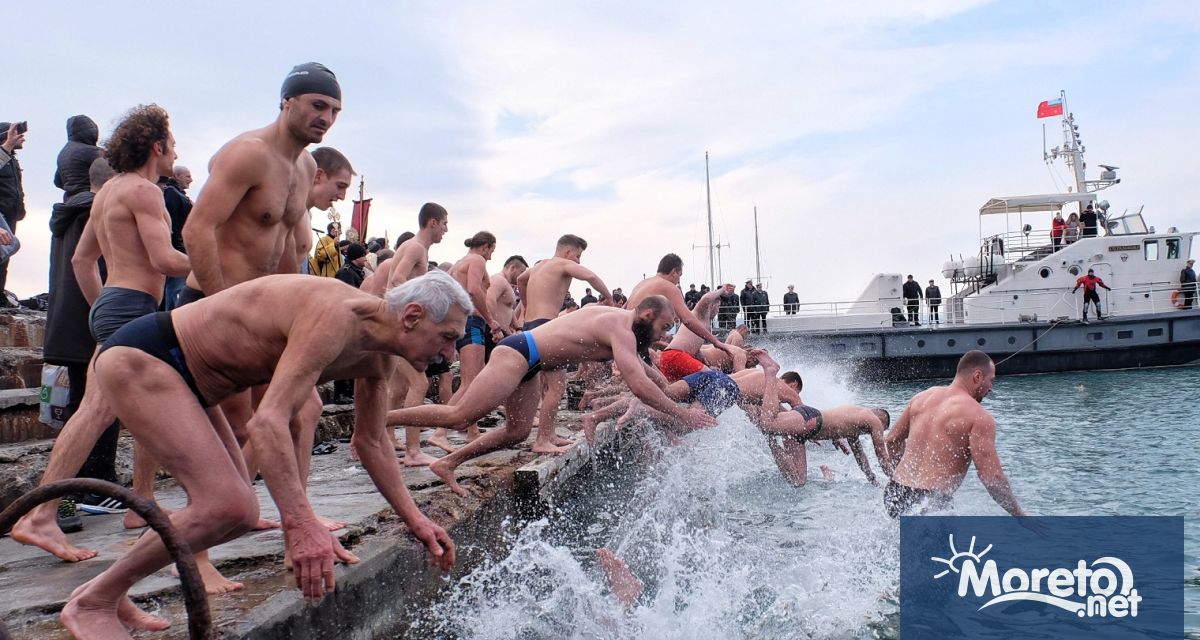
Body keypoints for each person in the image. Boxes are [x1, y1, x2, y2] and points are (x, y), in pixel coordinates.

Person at [59, 273, 466, 637]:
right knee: (227, 506)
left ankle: (111, 589)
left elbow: (371, 442)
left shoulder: (379, 356)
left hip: (193, 383)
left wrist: (417, 520)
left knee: (236, 516)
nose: (449, 355)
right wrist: (302, 524)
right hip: (150, 356)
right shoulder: (337, 316)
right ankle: (91, 603)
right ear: (411, 316)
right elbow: (268, 421)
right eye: (447, 337)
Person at [13, 105, 191, 565]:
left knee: (149, 402)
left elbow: (81, 261)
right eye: (173, 145)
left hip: (115, 303)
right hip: (130, 306)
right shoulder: (145, 192)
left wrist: (101, 308)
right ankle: (40, 516)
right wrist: (225, 267)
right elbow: (166, 261)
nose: (176, 153)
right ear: (157, 147)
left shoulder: (110, 190)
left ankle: (141, 505)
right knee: (95, 411)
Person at [388, 296, 719, 495]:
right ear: (647, 316)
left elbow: (643, 370)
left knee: (516, 432)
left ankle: (448, 463)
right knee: (459, 416)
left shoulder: (623, 327)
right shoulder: (621, 328)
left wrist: (668, 383)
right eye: (664, 327)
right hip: (518, 352)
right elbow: (636, 383)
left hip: (531, 361)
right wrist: (683, 414)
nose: (664, 335)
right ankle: (377, 421)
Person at [42, 158, 117, 520]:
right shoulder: (100, 211)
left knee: (79, 403)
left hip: (65, 322)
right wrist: (104, 312)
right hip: (91, 320)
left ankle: (73, 492)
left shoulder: (65, 213)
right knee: (104, 401)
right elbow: (89, 264)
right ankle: (98, 485)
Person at [882, 350, 1028, 518]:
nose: (991, 388)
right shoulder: (979, 416)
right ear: (978, 376)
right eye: (991, 380)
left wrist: (904, 473)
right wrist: (1020, 514)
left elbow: (892, 439)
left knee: (896, 542)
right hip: (930, 502)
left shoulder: (921, 398)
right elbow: (991, 477)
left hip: (895, 491)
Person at [360, 203, 449, 461]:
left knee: (397, 389)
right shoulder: (415, 247)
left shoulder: (410, 247)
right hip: (402, 326)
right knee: (419, 383)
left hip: (397, 324)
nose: (446, 229)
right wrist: (415, 316)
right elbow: (397, 280)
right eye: (444, 223)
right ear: (432, 222)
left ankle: (386, 439)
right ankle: (413, 451)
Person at [515, 234, 613, 454]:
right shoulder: (563, 263)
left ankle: (548, 434)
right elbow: (590, 276)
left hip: (530, 325)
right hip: (547, 327)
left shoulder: (538, 266)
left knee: (544, 385)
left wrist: (526, 304)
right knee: (557, 387)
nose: (578, 261)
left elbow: (521, 279)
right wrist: (609, 298)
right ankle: (543, 440)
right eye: (578, 256)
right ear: (569, 252)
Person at [447, 231, 503, 442]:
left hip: (462, 321)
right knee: (470, 383)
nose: (491, 257)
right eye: (492, 251)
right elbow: (473, 290)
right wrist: (490, 320)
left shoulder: (458, 263)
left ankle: (472, 431)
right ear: (486, 246)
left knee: (473, 380)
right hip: (472, 322)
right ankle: (439, 431)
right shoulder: (477, 260)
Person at [626, 254, 734, 360]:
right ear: (674, 272)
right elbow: (687, 319)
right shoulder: (669, 287)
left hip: (627, 336)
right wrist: (715, 342)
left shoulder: (641, 284)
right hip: (638, 339)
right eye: (680, 276)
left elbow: (624, 309)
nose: (678, 281)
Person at [0, 122, 27, 304]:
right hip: (1, 218)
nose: (22, 136)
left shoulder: (11, 159)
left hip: (10, 216)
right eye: (16, 133)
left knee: (4, 261)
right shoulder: (4, 156)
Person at [160, 166, 193, 309]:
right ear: (177, 176)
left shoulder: (177, 195)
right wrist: (181, 251)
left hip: (178, 250)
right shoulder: (172, 194)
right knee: (176, 294)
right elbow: (175, 226)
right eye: (187, 176)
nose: (191, 180)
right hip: (177, 252)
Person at [54, 115, 103, 201]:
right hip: (91, 200)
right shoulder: (92, 152)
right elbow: (114, 169)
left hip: (70, 201)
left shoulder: (63, 153)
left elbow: (57, 182)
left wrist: (72, 188)